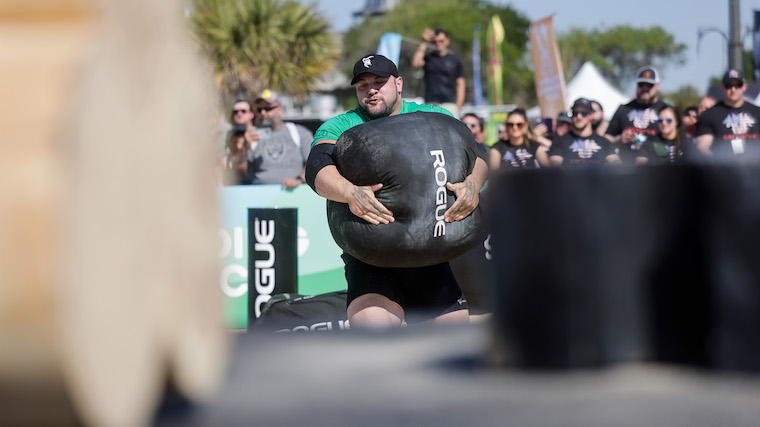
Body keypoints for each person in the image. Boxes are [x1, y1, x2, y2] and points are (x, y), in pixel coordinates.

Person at [306, 54, 488, 328]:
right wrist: (349, 192)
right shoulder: (341, 125)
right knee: (373, 329)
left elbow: (479, 154)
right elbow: (317, 167)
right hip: (371, 259)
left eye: (380, 82)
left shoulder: (434, 117)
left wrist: (473, 184)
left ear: (399, 83)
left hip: (430, 255)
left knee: (453, 342)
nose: (372, 90)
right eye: (363, 85)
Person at [242, 89, 313, 188]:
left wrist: (299, 180)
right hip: (259, 196)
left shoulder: (298, 132)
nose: (263, 113)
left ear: (280, 109)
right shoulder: (253, 135)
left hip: (293, 195)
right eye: (259, 110)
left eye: (267, 109)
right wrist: (245, 147)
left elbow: (313, 163)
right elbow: (241, 172)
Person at [605, 66, 668, 165]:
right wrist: (620, 139)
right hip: (627, 169)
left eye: (649, 85)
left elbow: (675, 140)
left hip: (657, 169)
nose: (644, 88)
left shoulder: (665, 111)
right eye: (641, 85)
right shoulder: (624, 109)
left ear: (658, 86)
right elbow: (606, 139)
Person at [696, 69, 760, 160]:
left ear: (744, 86)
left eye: (738, 85)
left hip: (754, 169)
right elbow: (703, 148)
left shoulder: (757, 112)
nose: (733, 89)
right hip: (723, 170)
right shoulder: (710, 114)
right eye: (729, 85)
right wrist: (719, 167)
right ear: (722, 87)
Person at [548, 98, 621, 167]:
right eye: (575, 113)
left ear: (591, 115)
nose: (579, 117)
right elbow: (554, 163)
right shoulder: (560, 141)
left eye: (584, 113)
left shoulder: (603, 142)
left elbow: (615, 161)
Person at [412, 28, 466, 117]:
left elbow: (461, 83)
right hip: (430, 103)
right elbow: (416, 63)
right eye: (435, 41)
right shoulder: (428, 58)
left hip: (449, 104)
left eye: (441, 41)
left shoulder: (455, 61)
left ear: (447, 41)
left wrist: (458, 106)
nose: (438, 44)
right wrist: (424, 42)